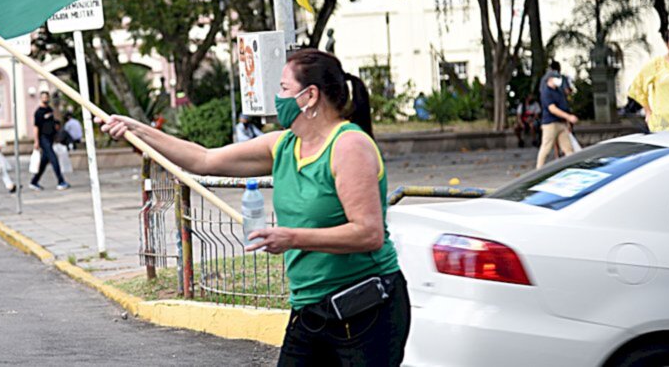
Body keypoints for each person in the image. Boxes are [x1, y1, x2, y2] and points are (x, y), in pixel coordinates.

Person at [102, 49, 409, 365]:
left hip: (365, 311)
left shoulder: (348, 145)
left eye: (283, 89)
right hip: (310, 309)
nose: (277, 98)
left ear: (310, 95)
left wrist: (292, 238)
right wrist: (136, 129)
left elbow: (368, 234)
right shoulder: (283, 145)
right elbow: (203, 159)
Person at [627, 26, 669, 132]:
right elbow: (636, 88)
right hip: (664, 126)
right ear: (667, 44)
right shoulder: (656, 65)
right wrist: (647, 111)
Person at [537, 72, 578, 168]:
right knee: (546, 148)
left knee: (568, 148)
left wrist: (567, 121)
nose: (559, 80)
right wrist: (568, 117)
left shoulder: (559, 91)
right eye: (556, 78)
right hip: (550, 124)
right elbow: (552, 109)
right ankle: (538, 169)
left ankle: (573, 168)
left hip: (561, 123)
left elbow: (564, 106)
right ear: (550, 79)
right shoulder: (546, 92)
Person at [30, 91, 69, 191]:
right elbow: (36, 127)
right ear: (41, 98)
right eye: (43, 97)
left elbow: (53, 122)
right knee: (53, 158)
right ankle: (61, 181)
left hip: (50, 138)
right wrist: (36, 141)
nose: (45, 99)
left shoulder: (50, 110)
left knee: (44, 162)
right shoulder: (38, 112)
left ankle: (34, 181)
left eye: (47, 97)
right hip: (43, 139)